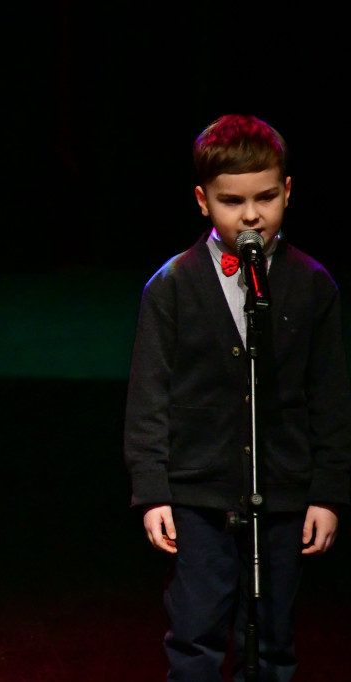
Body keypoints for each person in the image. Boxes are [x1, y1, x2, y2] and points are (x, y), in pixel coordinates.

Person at [123, 113, 351, 681]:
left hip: (282, 494)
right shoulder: (172, 285)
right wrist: (153, 491)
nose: (251, 215)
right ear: (203, 201)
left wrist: (327, 491)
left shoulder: (312, 284)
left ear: (287, 192)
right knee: (196, 633)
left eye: (266, 197)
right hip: (198, 495)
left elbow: (330, 399)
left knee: (272, 637)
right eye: (232, 201)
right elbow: (148, 398)